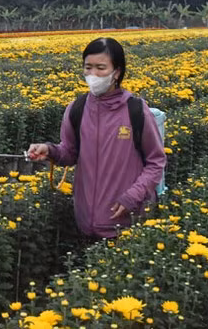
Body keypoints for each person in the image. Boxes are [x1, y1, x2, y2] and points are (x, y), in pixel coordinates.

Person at [27, 37, 166, 239]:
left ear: (116, 72)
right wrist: (49, 151)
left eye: (100, 68)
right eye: (88, 67)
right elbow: (69, 153)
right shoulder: (77, 109)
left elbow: (156, 161)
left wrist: (132, 197)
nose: (93, 74)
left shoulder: (135, 110)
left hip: (127, 224)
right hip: (85, 223)